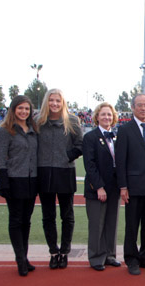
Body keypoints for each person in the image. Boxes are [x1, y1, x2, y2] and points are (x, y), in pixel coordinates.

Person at [115, 94, 145, 275]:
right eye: (140, 105)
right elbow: (121, 161)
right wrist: (123, 186)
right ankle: (131, 259)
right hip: (133, 186)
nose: (143, 108)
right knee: (132, 225)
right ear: (133, 107)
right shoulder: (125, 130)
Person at [36, 89, 83, 269]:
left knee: (67, 215)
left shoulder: (71, 121)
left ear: (62, 102)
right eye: (51, 100)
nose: (54, 104)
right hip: (44, 172)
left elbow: (80, 144)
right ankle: (53, 251)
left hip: (65, 171)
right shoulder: (38, 121)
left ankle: (64, 251)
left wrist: (67, 156)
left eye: (58, 100)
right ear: (46, 102)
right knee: (48, 216)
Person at [0, 96, 38, 276]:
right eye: (20, 108)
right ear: (13, 110)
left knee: (26, 221)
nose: (24, 112)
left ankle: (24, 256)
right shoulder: (5, 130)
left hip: (31, 180)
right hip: (14, 180)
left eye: (27, 109)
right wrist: (3, 183)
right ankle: (20, 259)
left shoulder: (33, 130)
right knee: (16, 220)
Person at [82, 102, 121, 271]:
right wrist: (99, 187)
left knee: (112, 222)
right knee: (97, 223)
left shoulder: (116, 136)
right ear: (97, 116)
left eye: (110, 115)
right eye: (103, 114)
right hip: (98, 187)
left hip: (114, 187)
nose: (107, 117)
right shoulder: (90, 137)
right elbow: (89, 165)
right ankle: (96, 257)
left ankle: (110, 254)